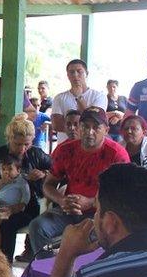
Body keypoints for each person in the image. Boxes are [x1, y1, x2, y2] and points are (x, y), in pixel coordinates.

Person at [27, 107, 128, 260]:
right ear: (80, 127)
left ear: (106, 130)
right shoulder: (65, 150)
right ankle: (48, 271)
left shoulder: (117, 154)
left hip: (102, 212)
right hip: (69, 210)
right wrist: (61, 200)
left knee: (97, 237)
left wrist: (91, 201)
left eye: (96, 127)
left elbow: (122, 193)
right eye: (85, 126)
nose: (90, 131)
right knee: (37, 227)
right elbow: (48, 185)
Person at [0, 115, 52, 263]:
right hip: (0, 201)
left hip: (27, 205)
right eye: (18, 144)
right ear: (9, 139)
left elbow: (57, 170)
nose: (22, 149)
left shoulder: (36, 154)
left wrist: (43, 174)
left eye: (27, 144)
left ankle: (5, 264)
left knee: (7, 224)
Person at [51, 59, 106, 143]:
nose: (75, 75)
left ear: (86, 74)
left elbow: (94, 120)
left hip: (90, 145)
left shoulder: (99, 96)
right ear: (68, 75)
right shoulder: (59, 98)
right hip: (65, 145)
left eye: (79, 71)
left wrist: (79, 97)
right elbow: (57, 125)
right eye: (72, 72)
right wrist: (82, 127)